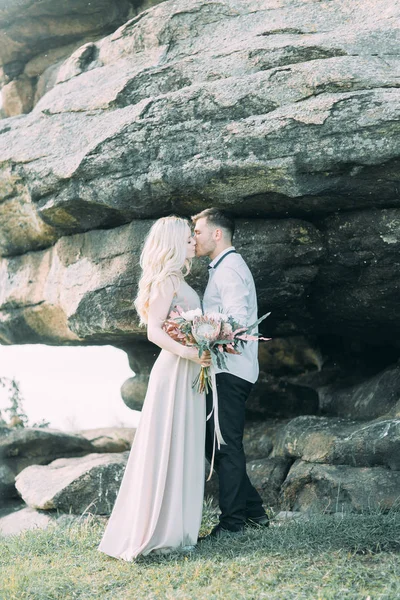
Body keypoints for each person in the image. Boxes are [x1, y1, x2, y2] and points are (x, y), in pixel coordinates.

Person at [98, 216, 211, 560]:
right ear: (174, 242)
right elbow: (154, 331)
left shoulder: (180, 280)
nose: (194, 241)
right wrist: (190, 351)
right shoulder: (166, 281)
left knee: (187, 445)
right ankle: (159, 531)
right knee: (168, 445)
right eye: (188, 237)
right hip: (174, 369)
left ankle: (180, 530)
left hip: (190, 369)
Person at [192, 207, 269, 539]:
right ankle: (255, 513)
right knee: (218, 442)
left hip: (231, 370)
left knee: (226, 445)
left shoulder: (230, 270)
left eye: (198, 231)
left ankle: (233, 524)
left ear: (216, 234)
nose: (194, 238)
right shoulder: (222, 268)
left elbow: (236, 320)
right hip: (226, 369)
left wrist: (202, 332)